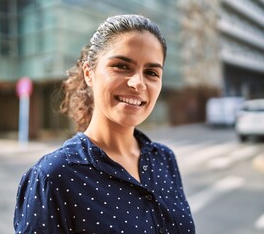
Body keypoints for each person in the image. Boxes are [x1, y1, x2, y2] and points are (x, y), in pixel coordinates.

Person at [14, 14, 195, 234]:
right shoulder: (53, 176)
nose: (138, 83)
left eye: (151, 72)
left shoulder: (164, 159)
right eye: (121, 66)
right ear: (89, 73)